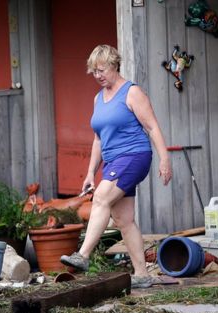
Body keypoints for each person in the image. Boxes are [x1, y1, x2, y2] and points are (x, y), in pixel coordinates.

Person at [60, 45, 173, 288]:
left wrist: (164, 159)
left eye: (101, 70)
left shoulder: (132, 93)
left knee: (101, 198)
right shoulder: (98, 98)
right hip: (113, 160)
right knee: (123, 219)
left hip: (134, 155)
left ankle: (84, 255)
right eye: (94, 71)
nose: (98, 75)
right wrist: (90, 171)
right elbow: (98, 138)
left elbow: (152, 127)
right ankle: (142, 273)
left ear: (114, 66)